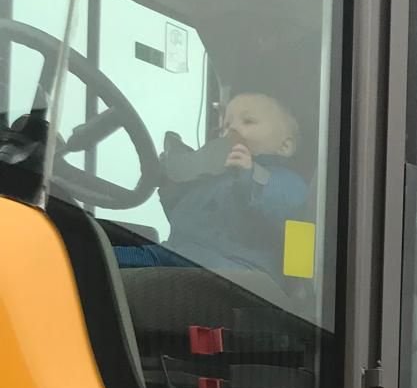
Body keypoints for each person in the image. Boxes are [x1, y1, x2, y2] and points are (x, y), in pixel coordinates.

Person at [115, 92, 308, 283]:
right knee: (107, 244)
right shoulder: (215, 179)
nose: (232, 129)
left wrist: (249, 180)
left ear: (285, 146)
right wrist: (171, 188)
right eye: (226, 126)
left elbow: (289, 214)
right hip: (186, 257)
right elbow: (187, 221)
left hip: (240, 272)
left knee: (114, 261)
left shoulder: (287, 182)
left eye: (248, 121)